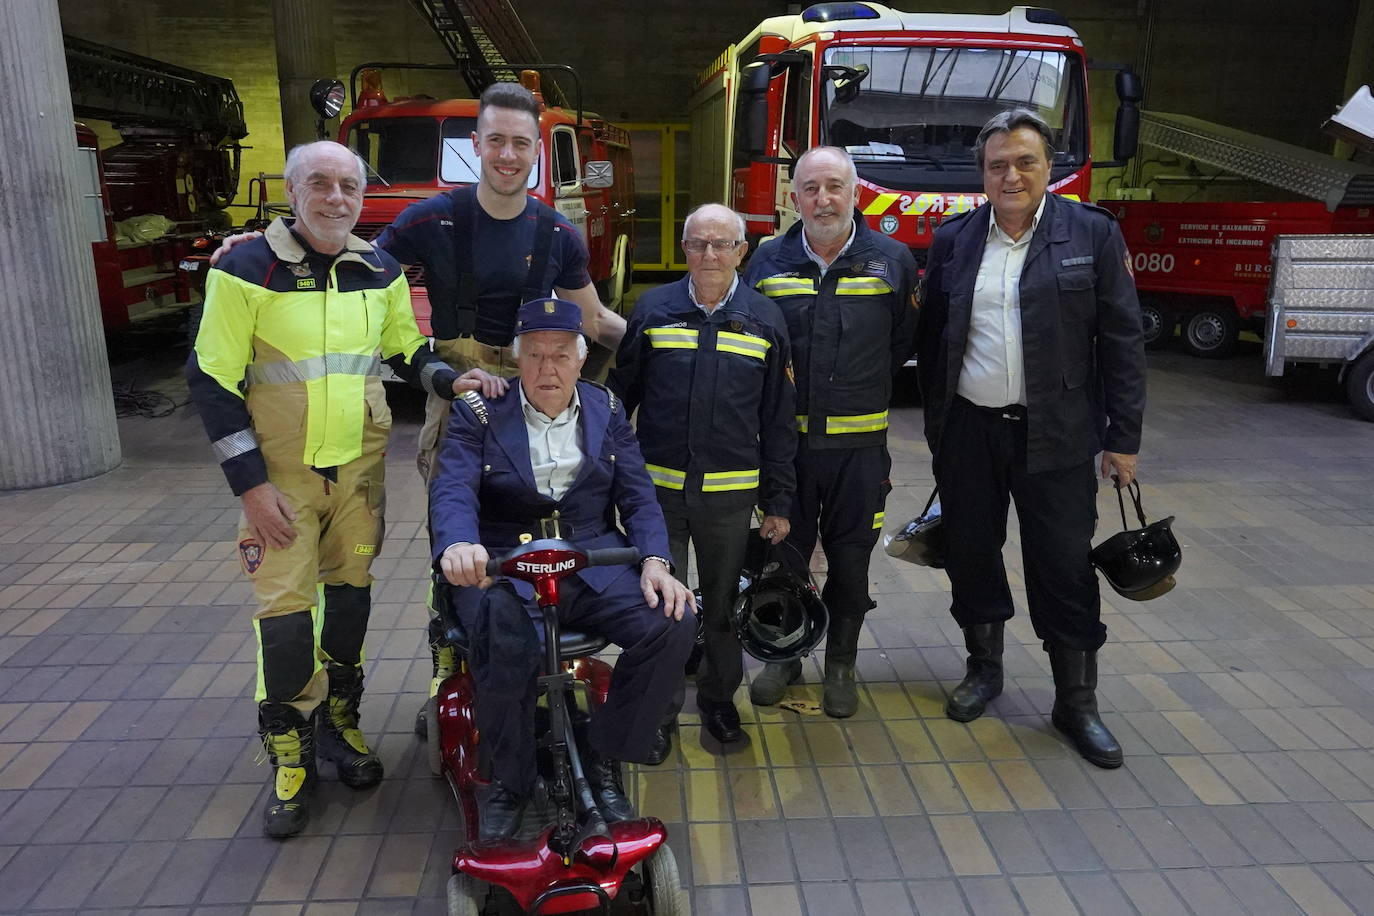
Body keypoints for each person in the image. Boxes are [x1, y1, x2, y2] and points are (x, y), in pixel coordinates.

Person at [187, 141, 482, 837]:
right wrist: (251, 490)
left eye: (348, 185)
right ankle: (289, 756)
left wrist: (450, 380)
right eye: (319, 183)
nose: (336, 197)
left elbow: (406, 350)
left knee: (349, 604)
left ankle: (338, 725)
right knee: (286, 619)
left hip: (358, 475)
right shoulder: (244, 267)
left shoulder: (377, 268)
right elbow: (211, 379)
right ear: (293, 191)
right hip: (280, 483)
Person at [915, 108, 1146, 769]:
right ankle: (984, 668)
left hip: (1061, 435)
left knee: (1063, 565)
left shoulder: (1091, 235)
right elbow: (932, 341)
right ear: (982, 174)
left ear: (1050, 168)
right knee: (971, 553)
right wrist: (940, 429)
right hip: (970, 433)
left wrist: (1122, 440)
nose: (1010, 175)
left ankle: (1076, 702)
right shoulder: (956, 240)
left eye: (1025, 162)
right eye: (997, 165)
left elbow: (1124, 343)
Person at [431, 297, 696, 841]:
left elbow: (640, 496)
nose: (546, 369)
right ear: (516, 359)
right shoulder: (477, 412)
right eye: (533, 356)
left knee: (674, 619)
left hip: (592, 560)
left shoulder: (608, 409)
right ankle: (511, 780)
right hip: (503, 564)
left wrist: (655, 560)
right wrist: (460, 543)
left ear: (581, 360)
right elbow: (453, 486)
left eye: (559, 355)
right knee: (504, 641)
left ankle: (604, 753)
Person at [607, 203, 796, 757]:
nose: (709, 255)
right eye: (697, 244)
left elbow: (780, 420)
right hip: (658, 499)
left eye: (722, 244)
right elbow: (620, 401)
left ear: (743, 251)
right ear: (684, 248)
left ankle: (717, 700)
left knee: (720, 610)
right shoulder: (654, 309)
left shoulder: (766, 318)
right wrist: (609, 480)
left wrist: (778, 501)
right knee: (664, 609)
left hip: (731, 500)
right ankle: (659, 711)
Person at [743, 147, 918, 718]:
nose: (823, 199)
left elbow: (902, 345)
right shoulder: (767, 263)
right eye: (811, 189)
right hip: (786, 451)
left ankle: (841, 661)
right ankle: (786, 655)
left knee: (851, 559)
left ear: (855, 193)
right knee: (784, 557)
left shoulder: (892, 261)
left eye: (835, 187)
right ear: (794, 198)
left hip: (858, 453)